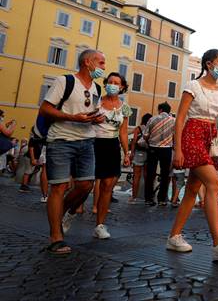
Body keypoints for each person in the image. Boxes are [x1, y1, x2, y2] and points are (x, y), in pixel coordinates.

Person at [38, 49, 105, 255]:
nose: (103, 67)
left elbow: (91, 110)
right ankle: (56, 237)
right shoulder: (64, 81)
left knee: (86, 185)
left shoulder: (96, 88)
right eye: (101, 63)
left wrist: (96, 118)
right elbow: (45, 109)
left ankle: (60, 212)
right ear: (87, 62)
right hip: (61, 140)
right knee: (58, 188)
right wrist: (74, 118)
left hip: (86, 141)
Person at [167, 49, 218, 255]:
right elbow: (180, 118)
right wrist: (178, 149)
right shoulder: (193, 85)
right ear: (209, 64)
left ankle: (174, 236)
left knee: (193, 189)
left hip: (210, 137)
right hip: (192, 134)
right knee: (214, 183)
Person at [92, 72, 132, 239]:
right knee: (85, 184)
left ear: (122, 87)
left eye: (116, 83)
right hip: (92, 143)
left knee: (107, 187)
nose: (113, 85)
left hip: (112, 146)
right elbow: (83, 119)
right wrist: (92, 120)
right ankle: (71, 211)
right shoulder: (96, 101)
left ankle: (100, 225)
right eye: (110, 82)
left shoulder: (125, 108)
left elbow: (123, 132)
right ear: (106, 83)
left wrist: (126, 153)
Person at [143, 102, 175, 206]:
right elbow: (176, 135)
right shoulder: (173, 121)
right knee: (165, 174)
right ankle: (162, 199)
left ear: (160, 109)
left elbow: (145, 135)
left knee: (150, 174)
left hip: (153, 148)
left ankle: (148, 198)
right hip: (167, 149)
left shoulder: (152, 119)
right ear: (169, 110)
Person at [128, 113, 152, 204]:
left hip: (138, 153)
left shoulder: (138, 128)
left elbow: (134, 142)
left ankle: (133, 197)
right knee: (147, 177)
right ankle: (147, 198)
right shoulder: (151, 128)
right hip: (148, 153)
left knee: (136, 177)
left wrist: (132, 153)